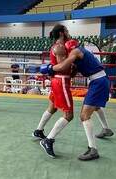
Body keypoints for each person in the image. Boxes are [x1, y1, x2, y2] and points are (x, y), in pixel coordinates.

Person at [40, 39, 113, 161]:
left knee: (84, 116)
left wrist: (50, 68)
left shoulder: (76, 51)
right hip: (101, 80)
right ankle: (106, 129)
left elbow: (63, 66)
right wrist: (73, 68)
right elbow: (72, 72)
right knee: (95, 106)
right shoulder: (81, 55)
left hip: (98, 82)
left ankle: (93, 149)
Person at [32, 24, 74, 158]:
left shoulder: (58, 47)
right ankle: (48, 140)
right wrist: (75, 57)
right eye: (66, 31)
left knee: (53, 107)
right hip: (61, 81)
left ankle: (38, 131)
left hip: (58, 80)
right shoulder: (60, 47)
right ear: (61, 33)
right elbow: (62, 67)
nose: (68, 33)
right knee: (69, 115)